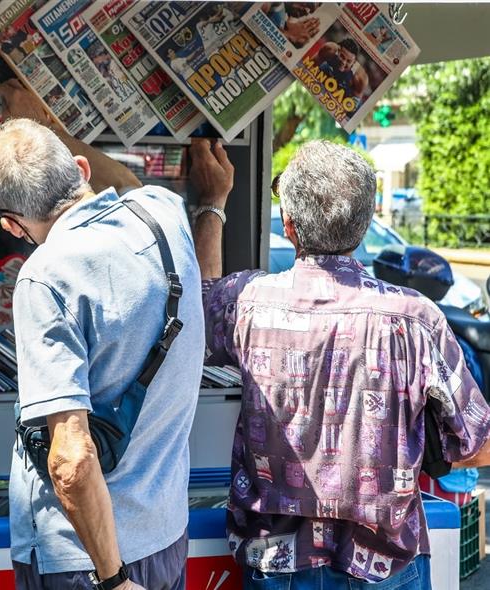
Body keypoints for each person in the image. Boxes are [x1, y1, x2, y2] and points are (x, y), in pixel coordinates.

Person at [190, 139, 490, 589]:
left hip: (277, 569)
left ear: (288, 227)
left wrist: (212, 204)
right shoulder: (416, 319)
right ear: (367, 223)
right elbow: (476, 444)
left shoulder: (246, 303)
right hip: (384, 569)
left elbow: (198, 306)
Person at [0, 79, 204, 590]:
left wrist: (114, 579)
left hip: (87, 560)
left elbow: (71, 459)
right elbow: (121, 180)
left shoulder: (44, 276)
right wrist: (48, 124)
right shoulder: (163, 214)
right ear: (79, 170)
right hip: (166, 534)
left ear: (12, 226)